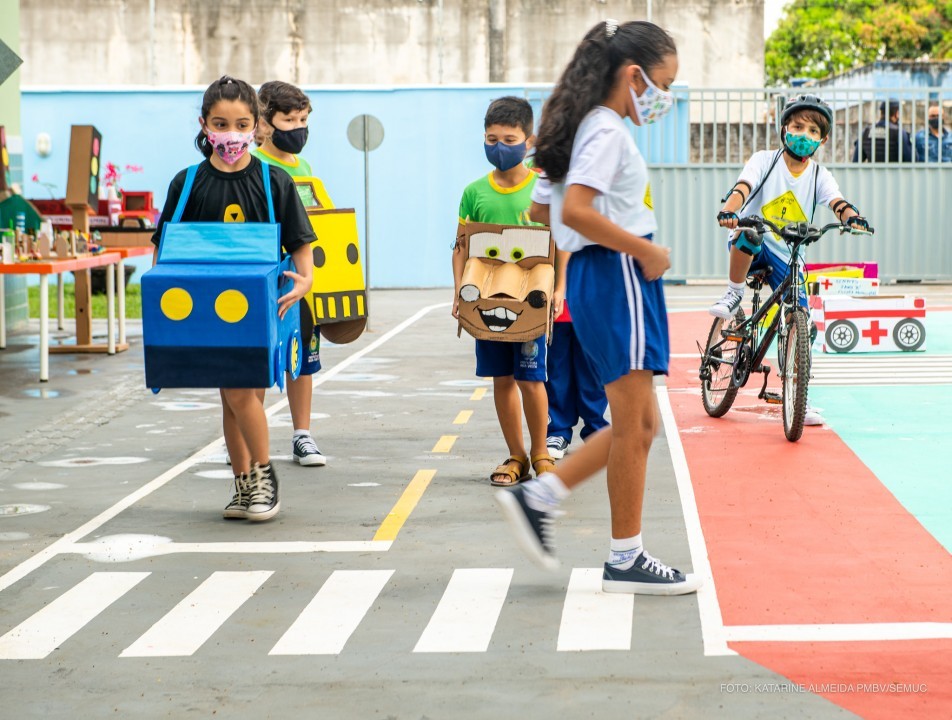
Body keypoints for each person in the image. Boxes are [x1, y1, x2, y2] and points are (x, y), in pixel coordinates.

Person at [495, 19, 701, 595]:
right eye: (664, 82)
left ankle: (548, 499)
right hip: (619, 276)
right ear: (634, 76)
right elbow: (579, 212)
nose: (664, 97)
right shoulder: (606, 130)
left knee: (639, 422)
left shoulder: (578, 129)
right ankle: (615, 549)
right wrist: (647, 250)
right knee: (635, 422)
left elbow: (545, 212)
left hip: (595, 276)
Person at [151, 76, 315, 521]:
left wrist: (304, 281)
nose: (231, 133)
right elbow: (164, 249)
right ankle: (244, 486)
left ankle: (263, 479)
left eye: (241, 123)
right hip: (206, 310)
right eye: (220, 123)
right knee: (231, 395)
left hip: (259, 308)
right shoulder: (186, 184)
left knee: (242, 392)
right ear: (204, 124)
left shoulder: (273, 180)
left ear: (256, 125)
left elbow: (302, 244)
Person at [709, 94, 869, 425]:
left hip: (788, 253)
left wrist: (851, 217)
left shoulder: (819, 175)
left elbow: (837, 202)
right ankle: (733, 292)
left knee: (801, 321)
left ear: (823, 139)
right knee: (750, 236)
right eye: (797, 127)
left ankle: (796, 395)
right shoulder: (764, 161)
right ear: (784, 128)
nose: (804, 135)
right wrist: (731, 208)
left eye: (813, 131)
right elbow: (743, 186)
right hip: (751, 244)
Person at [452, 96, 556, 487]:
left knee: (532, 379)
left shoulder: (542, 190)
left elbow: (556, 244)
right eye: (491, 138)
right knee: (502, 380)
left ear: (528, 141)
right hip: (486, 304)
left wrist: (558, 289)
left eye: (509, 138)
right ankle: (517, 455)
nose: (499, 146)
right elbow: (461, 247)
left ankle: (541, 452)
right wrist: (458, 293)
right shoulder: (474, 193)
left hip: (530, 302)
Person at [252, 80, 326, 467]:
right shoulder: (256, 167)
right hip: (267, 276)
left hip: (300, 278)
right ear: (265, 121)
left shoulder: (305, 167)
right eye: (289, 119)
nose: (298, 127)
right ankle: (251, 433)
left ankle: (302, 435)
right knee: (261, 358)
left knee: (304, 356)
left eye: (303, 119)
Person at [529, 180, 609, 460]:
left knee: (592, 368)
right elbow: (539, 218)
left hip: (592, 288)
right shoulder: (550, 183)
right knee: (558, 365)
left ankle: (596, 427)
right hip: (559, 293)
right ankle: (559, 430)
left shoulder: (599, 186)